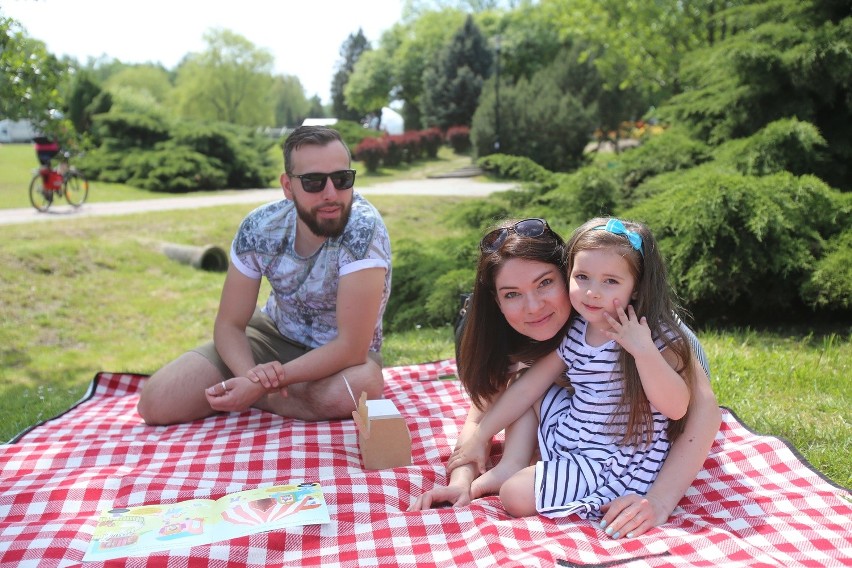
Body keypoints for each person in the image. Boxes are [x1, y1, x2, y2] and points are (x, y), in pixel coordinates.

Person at [409, 217, 721, 541]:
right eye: (512, 294)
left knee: (521, 478)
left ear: (562, 271)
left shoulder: (636, 324)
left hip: (630, 440)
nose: (533, 306)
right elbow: (485, 412)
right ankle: (515, 464)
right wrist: (461, 480)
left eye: (545, 283)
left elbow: (700, 412)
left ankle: (534, 469)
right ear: (496, 302)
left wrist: (659, 501)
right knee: (528, 386)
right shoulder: (561, 329)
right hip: (585, 429)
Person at [137, 126, 392, 425]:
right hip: (271, 338)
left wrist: (261, 384)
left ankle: (263, 399)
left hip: (341, 358)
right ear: (288, 186)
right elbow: (230, 324)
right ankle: (291, 397)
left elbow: (351, 347)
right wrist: (249, 373)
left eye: (342, 179)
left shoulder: (363, 229)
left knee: (361, 387)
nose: (331, 193)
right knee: (157, 402)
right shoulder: (260, 227)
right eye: (313, 182)